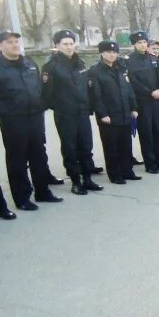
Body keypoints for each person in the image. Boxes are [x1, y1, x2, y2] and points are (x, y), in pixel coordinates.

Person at [0, 30, 63, 210]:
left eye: (16, 41)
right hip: (13, 119)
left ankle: (42, 191)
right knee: (17, 159)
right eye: (9, 42)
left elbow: (38, 88)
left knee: (39, 155)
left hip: (35, 116)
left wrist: (40, 105)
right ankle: (22, 197)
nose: (15, 44)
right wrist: (3, 110)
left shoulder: (29, 63)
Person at [42, 30, 103, 195]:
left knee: (86, 146)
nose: (69, 47)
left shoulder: (80, 63)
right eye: (65, 44)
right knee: (70, 148)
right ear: (57, 46)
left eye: (71, 43)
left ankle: (88, 179)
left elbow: (86, 87)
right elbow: (47, 94)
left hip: (82, 112)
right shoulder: (51, 66)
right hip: (65, 115)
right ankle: (76, 181)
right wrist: (61, 106)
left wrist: (88, 106)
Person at [88, 40, 141, 185]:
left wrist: (134, 108)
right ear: (102, 53)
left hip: (124, 112)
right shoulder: (95, 71)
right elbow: (96, 95)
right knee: (111, 147)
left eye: (114, 52)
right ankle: (115, 174)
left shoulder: (121, 67)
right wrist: (102, 114)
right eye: (108, 52)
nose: (112, 55)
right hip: (108, 116)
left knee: (125, 145)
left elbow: (129, 89)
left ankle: (127, 171)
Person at [125, 31, 159, 174]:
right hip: (143, 101)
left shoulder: (153, 58)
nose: (142, 45)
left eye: (144, 42)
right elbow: (133, 81)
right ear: (134, 44)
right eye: (139, 42)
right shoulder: (129, 60)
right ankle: (150, 163)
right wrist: (149, 92)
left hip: (157, 100)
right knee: (146, 132)